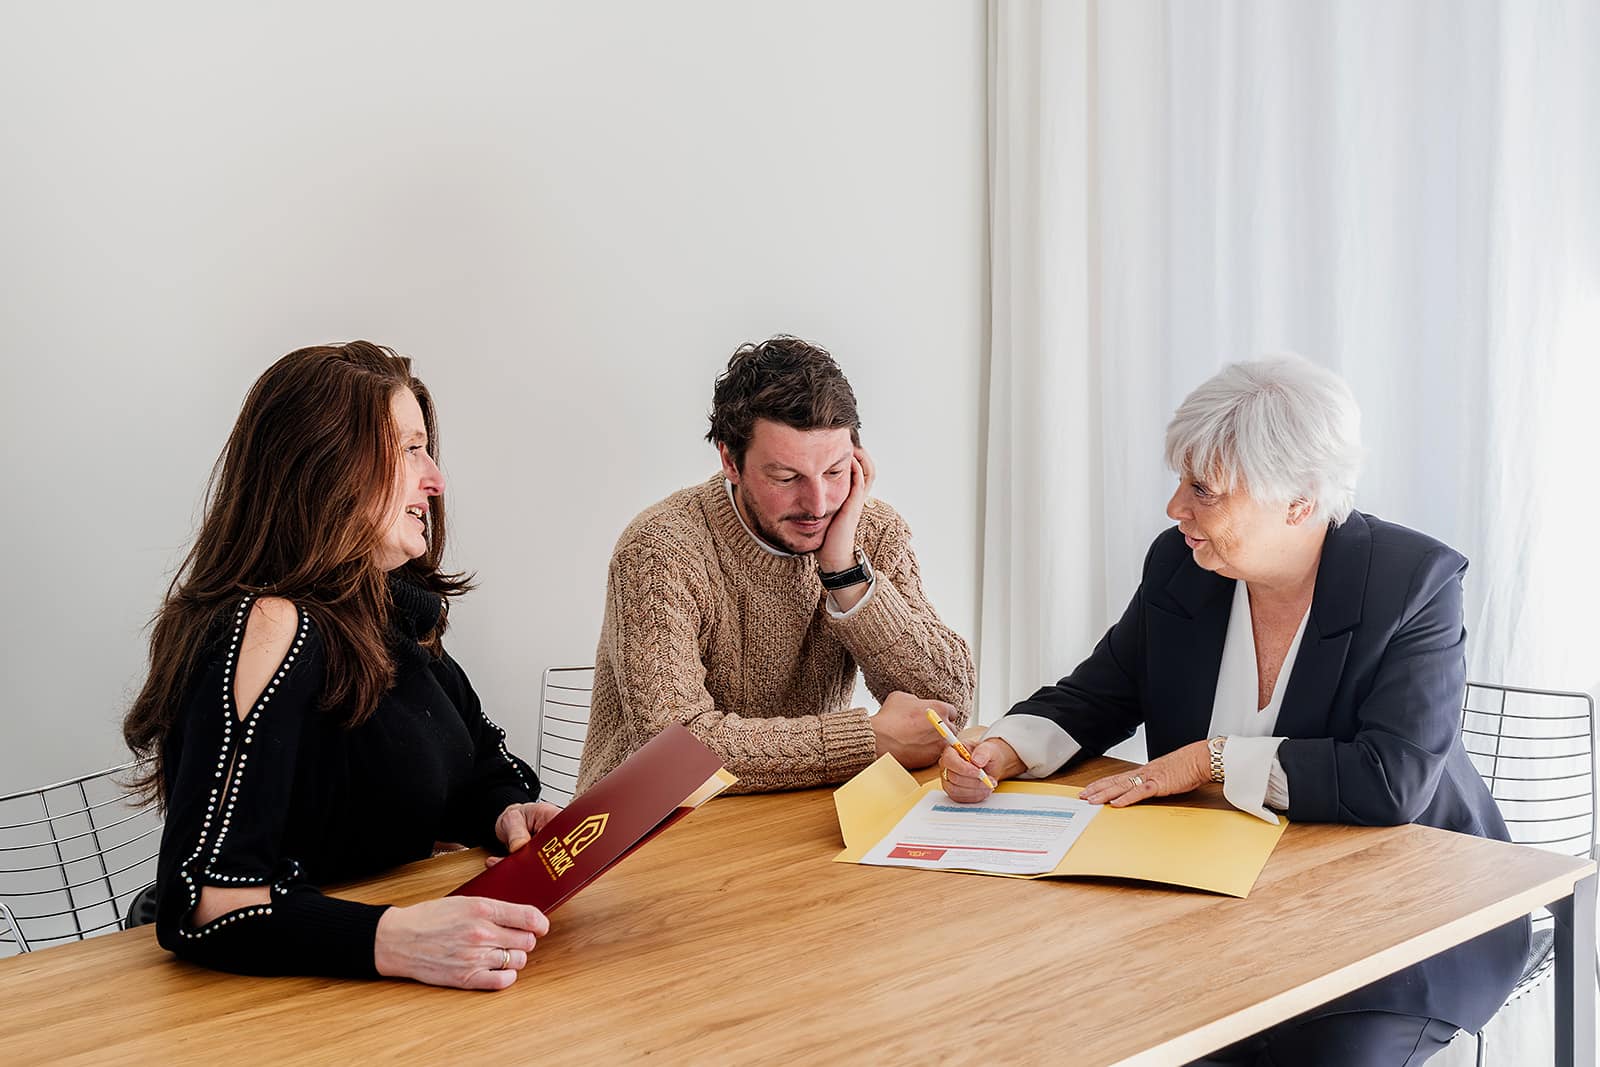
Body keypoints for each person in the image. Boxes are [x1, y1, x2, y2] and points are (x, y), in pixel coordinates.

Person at [941, 355, 1528, 1065]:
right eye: (1180, 481)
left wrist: (1211, 760)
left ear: (1298, 502)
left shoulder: (1412, 582)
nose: (1175, 508)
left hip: (1405, 921)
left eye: (1203, 489)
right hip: (1232, 903)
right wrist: (1005, 749)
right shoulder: (1182, 565)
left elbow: (1392, 779)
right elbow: (1102, 690)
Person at [124, 342, 558, 989]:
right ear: (327, 466)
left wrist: (505, 812)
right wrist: (395, 938)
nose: (435, 480)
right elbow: (207, 900)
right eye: (409, 449)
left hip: (355, 992)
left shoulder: (387, 612)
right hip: (254, 999)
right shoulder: (272, 626)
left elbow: (475, 768)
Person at [576, 335, 976, 794]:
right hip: (650, 818)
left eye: (835, 471)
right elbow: (675, 751)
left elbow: (946, 704)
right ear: (730, 461)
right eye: (787, 478)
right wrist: (865, 741)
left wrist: (845, 573)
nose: (818, 504)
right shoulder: (660, 548)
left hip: (794, 809)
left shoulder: (871, 531)